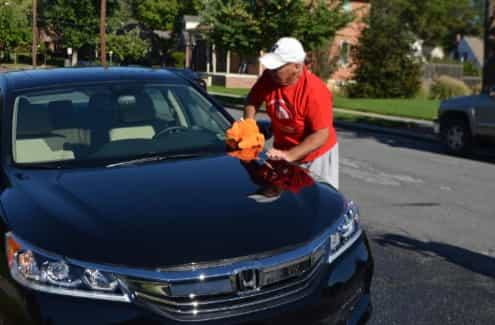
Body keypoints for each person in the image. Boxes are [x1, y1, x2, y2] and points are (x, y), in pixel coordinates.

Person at [243, 37, 339, 188]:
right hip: (283, 149)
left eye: (278, 66)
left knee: (315, 198)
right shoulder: (269, 78)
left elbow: (321, 134)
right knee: (283, 197)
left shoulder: (315, 91)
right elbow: (252, 100)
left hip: (315, 155)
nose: (272, 70)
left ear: (296, 66)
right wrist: (249, 125)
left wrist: (289, 156)